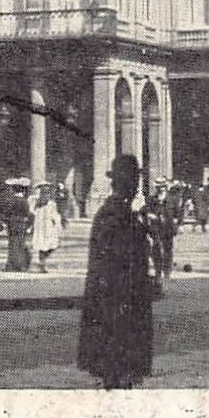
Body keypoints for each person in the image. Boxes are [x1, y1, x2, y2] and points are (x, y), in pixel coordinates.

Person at [77, 154, 154, 390]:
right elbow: (116, 260)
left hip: (122, 295)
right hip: (120, 297)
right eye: (133, 181)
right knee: (119, 356)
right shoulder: (115, 213)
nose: (135, 186)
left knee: (120, 358)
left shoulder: (119, 211)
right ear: (124, 183)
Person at [2, 178, 34, 272]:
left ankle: (11, 265)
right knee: (19, 244)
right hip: (21, 225)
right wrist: (28, 226)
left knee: (12, 244)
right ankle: (18, 265)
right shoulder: (24, 201)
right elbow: (28, 214)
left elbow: (6, 213)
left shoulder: (10, 200)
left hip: (12, 224)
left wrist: (7, 221)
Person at [31, 182, 63, 272]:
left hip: (42, 226)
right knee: (48, 245)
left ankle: (42, 262)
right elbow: (55, 216)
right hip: (46, 226)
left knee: (43, 245)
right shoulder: (49, 204)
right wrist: (58, 226)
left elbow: (33, 213)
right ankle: (42, 264)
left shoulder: (38, 203)